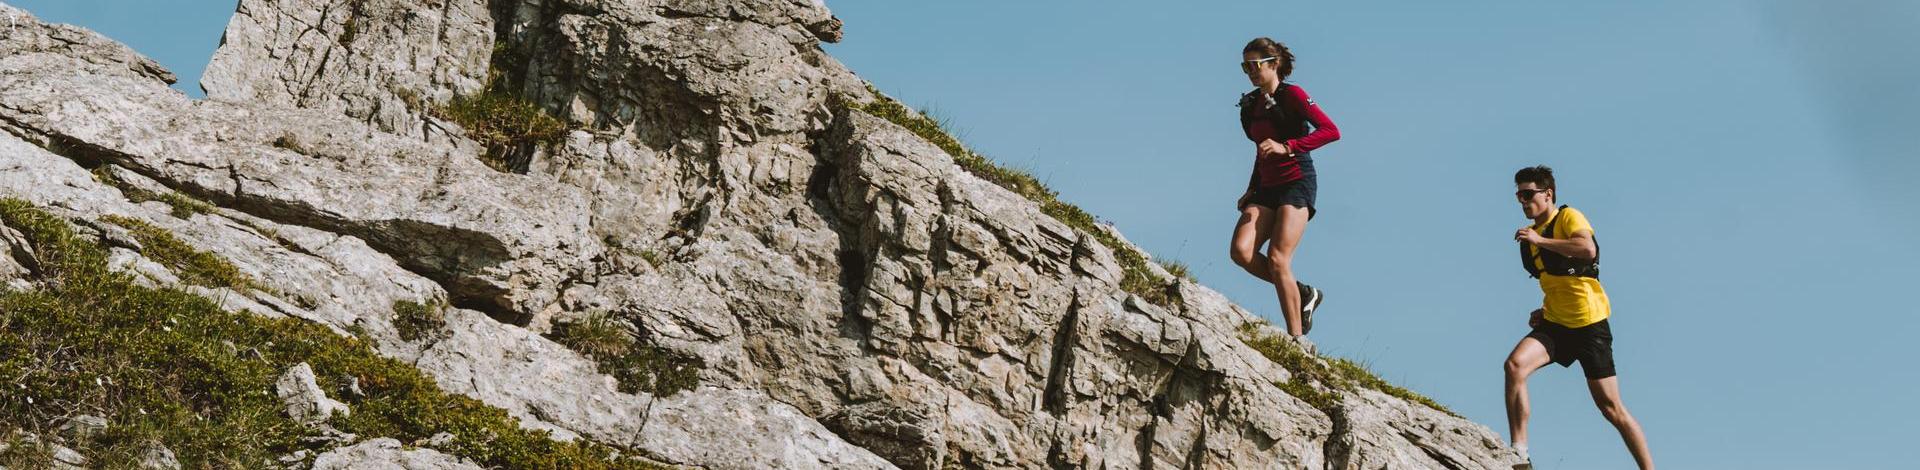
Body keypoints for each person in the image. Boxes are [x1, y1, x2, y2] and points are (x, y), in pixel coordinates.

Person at [1501, 165, 1654, 469]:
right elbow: (1556, 280)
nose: (1523, 201)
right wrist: (1543, 309)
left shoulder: (1568, 218)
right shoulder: (1530, 242)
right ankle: (1519, 453)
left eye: (1529, 193)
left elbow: (1586, 249)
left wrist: (1540, 241)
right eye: (1519, 195)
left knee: (1611, 409)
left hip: (1589, 325)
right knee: (1514, 366)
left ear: (1548, 194)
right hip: (1556, 323)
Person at [1227, 37, 1339, 351]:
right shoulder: (1250, 105)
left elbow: (1331, 131)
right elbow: (1261, 150)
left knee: (1278, 259)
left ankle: (1297, 340)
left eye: (1255, 65)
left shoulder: (1294, 95)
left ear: (1274, 63)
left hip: (1297, 182)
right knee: (1241, 252)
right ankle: (1303, 293)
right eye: (1245, 66)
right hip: (1266, 186)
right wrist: (1251, 189)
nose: (1250, 71)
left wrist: (1288, 147)